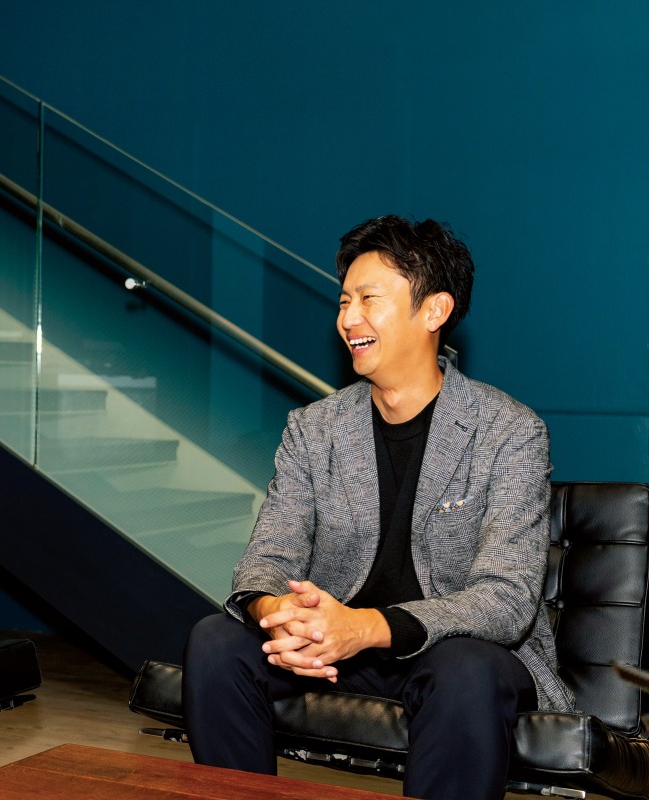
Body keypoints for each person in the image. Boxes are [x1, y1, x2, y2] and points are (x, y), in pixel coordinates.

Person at [182, 215, 574, 800]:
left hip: (452, 654)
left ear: (435, 310)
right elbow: (265, 559)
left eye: (368, 299)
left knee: (465, 669)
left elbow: (507, 599)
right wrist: (280, 612)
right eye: (344, 301)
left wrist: (364, 627)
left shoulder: (508, 432)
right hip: (337, 653)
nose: (348, 319)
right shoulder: (314, 429)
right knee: (217, 642)